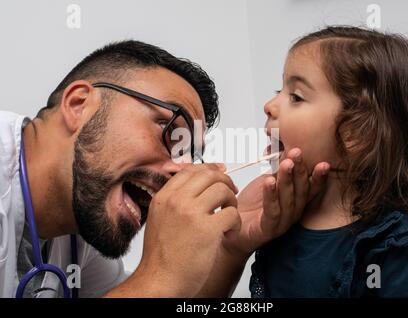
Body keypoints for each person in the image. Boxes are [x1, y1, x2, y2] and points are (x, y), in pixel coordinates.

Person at [0, 40, 329, 297]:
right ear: (79, 105)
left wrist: (231, 248)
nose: (179, 172)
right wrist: (159, 276)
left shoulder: (82, 222)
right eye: (168, 131)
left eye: (188, 155)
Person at [249, 26, 408, 298]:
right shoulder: (278, 223)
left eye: (296, 96)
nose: (270, 105)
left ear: (357, 132)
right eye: (280, 89)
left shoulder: (394, 243)